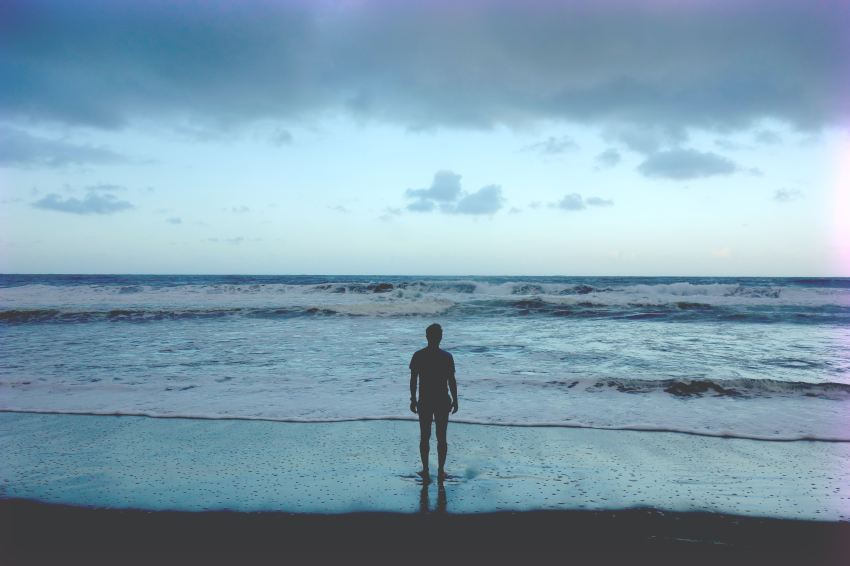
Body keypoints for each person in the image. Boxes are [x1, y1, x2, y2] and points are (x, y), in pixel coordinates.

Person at [409, 323, 458, 483]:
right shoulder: (447, 356)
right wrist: (456, 400)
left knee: (425, 436)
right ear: (440, 337)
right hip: (442, 400)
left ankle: (425, 469)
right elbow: (451, 380)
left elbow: (413, 379)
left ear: (427, 336)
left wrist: (413, 399)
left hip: (425, 400)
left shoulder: (419, 355)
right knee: (441, 437)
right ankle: (441, 471)